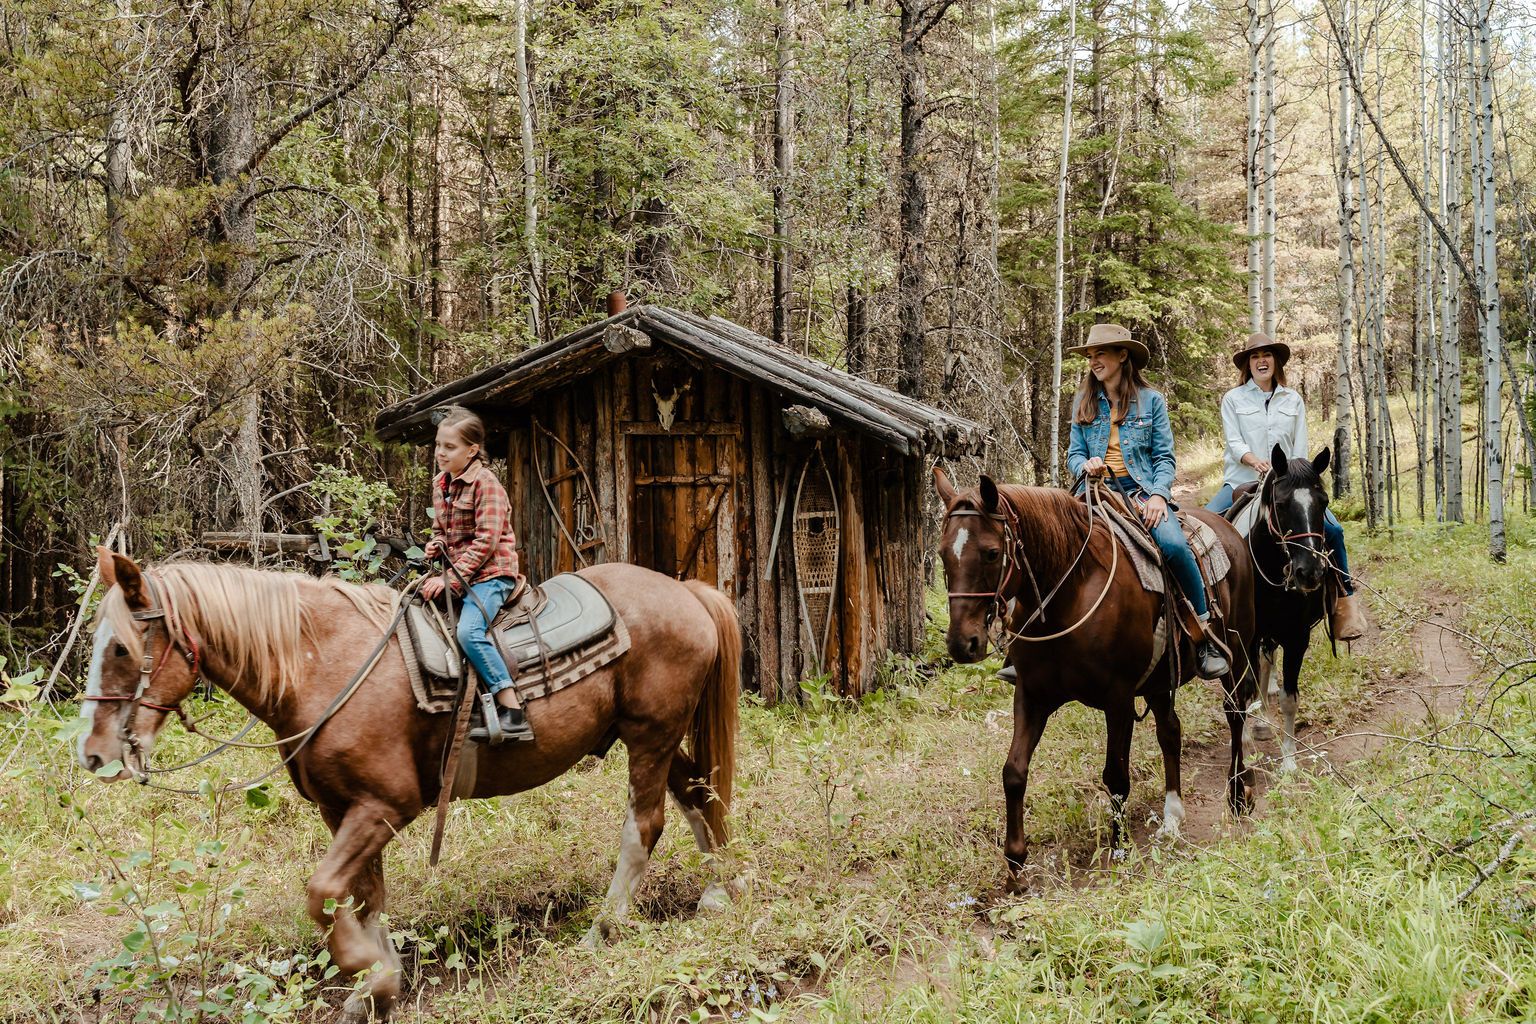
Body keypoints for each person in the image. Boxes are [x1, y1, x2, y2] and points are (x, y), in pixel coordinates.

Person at [1065, 323, 1230, 680]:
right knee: (1051, 542)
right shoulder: (1084, 402)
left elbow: (1164, 458)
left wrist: (1157, 495)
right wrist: (1085, 464)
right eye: (1090, 356)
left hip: (1139, 491)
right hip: (1093, 491)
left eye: (1101, 354)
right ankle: (1027, 647)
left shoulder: (1151, 401)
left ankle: (1203, 636)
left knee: (1173, 545)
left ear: (1122, 356)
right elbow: (1073, 454)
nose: (1094, 361)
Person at [1206, 333, 1366, 641]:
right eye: (1255, 356)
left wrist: (1293, 474)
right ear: (1248, 364)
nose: (1261, 360)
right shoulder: (1233, 399)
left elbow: (1300, 444)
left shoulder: (1292, 399)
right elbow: (1234, 441)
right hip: (1242, 479)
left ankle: (1345, 601)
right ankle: (1214, 609)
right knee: (1207, 528)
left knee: (1333, 530)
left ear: (1276, 361)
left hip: (1286, 482)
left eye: (1267, 355)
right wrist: (1255, 461)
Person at [419, 405, 535, 742]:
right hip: (457, 571)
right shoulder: (441, 483)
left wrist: (450, 580)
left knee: (469, 632)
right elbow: (441, 529)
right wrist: (436, 544)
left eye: (450, 447)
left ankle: (512, 710)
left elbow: (487, 542)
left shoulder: (487, 484)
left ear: (472, 450)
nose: (441, 452)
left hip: (491, 575)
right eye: (439, 444)